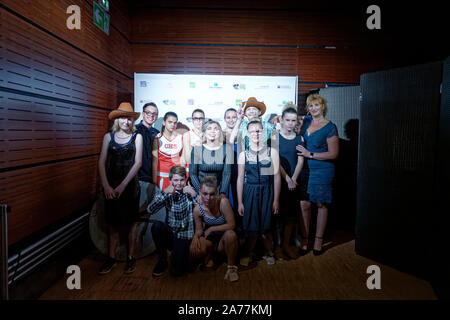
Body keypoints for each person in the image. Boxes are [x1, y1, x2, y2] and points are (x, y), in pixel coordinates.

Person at [98, 102, 143, 275]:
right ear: (117, 119)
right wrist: (106, 186)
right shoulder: (108, 137)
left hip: (130, 186)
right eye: (123, 118)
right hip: (111, 185)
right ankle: (111, 258)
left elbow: (138, 163)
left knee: (132, 224)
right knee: (113, 225)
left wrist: (123, 185)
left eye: (129, 118)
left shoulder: (137, 137)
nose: (126, 121)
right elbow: (102, 162)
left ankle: (130, 258)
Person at [296, 94, 339, 255]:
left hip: (323, 170)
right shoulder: (306, 121)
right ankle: (306, 239)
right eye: (310, 106)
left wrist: (310, 154)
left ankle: (318, 241)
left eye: (316, 105)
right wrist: (276, 119)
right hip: (305, 170)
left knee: (321, 204)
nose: (313, 108)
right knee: (304, 204)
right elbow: (288, 116)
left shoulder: (330, 127)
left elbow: (334, 154)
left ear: (323, 107)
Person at [237, 119, 281, 266]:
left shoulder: (272, 152)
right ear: (247, 134)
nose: (256, 133)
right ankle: (248, 253)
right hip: (250, 191)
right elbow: (240, 178)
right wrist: (240, 202)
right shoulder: (243, 154)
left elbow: (276, 176)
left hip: (267, 191)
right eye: (252, 131)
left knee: (266, 228)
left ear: (263, 133)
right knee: (252, 228)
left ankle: (269, 252)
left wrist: (276, 199)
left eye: (259, 130)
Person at [146, 166, 198, 276]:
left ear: (185, 179)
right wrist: (164, 192)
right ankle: (162, 259)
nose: (179, 183)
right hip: (171, 233)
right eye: (175, 180)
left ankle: (177, 256)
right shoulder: (167, 193)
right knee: (157, 226)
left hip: (185, 235)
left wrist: (195, 196)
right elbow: (150, 209)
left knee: (177, 272)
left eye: (181, 180)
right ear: (170, 181)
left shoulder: (190, 193)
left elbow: (203, 212)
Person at [190, 176, 239, 282]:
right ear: (200, 192)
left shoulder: (223, 202)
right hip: (211, 241)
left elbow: (232, 224)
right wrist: (195, 237)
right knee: (196, 249)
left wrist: (212, 228)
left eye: (212, 194)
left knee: (231, 234)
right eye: (205, 194)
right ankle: (211, 255)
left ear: (216, 192)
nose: (208, 198)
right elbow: (199, 230)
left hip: (224, 240)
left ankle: (231, 268)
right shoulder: (197, 210)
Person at [273, 107, 305, 260]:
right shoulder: (274, 138)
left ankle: (286, 245)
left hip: (293, 183)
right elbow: (275, 163)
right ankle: (277, 247)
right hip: (279, 182)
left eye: (293, 120)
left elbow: (300, 161)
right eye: (287, 120)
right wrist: (287, 178)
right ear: (282, 120)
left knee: (290, 218)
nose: (290, 123)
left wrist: (293, 179)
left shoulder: (300, 139)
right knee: (277, 218)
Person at [190, 120, 232, 197]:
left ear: (220, 132)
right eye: (209, 128)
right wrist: (200, 191)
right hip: (200, 191)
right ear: (204, 132)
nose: (213, 131)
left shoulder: (227, 149)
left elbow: (227, 174)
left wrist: (222, 193)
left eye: (216, 129)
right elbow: (192, 174)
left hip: (218, 191)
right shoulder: (197, 149)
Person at [152, 112, 184, 190]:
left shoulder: (181, 138)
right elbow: (154, 162)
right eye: (170, 122)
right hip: (161, 177)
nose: (173, 125)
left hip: (177, 180)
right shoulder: (157, 138)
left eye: (175, 123)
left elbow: (183, 161)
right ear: (164, 122)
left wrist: (183, 180)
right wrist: (154, 181)